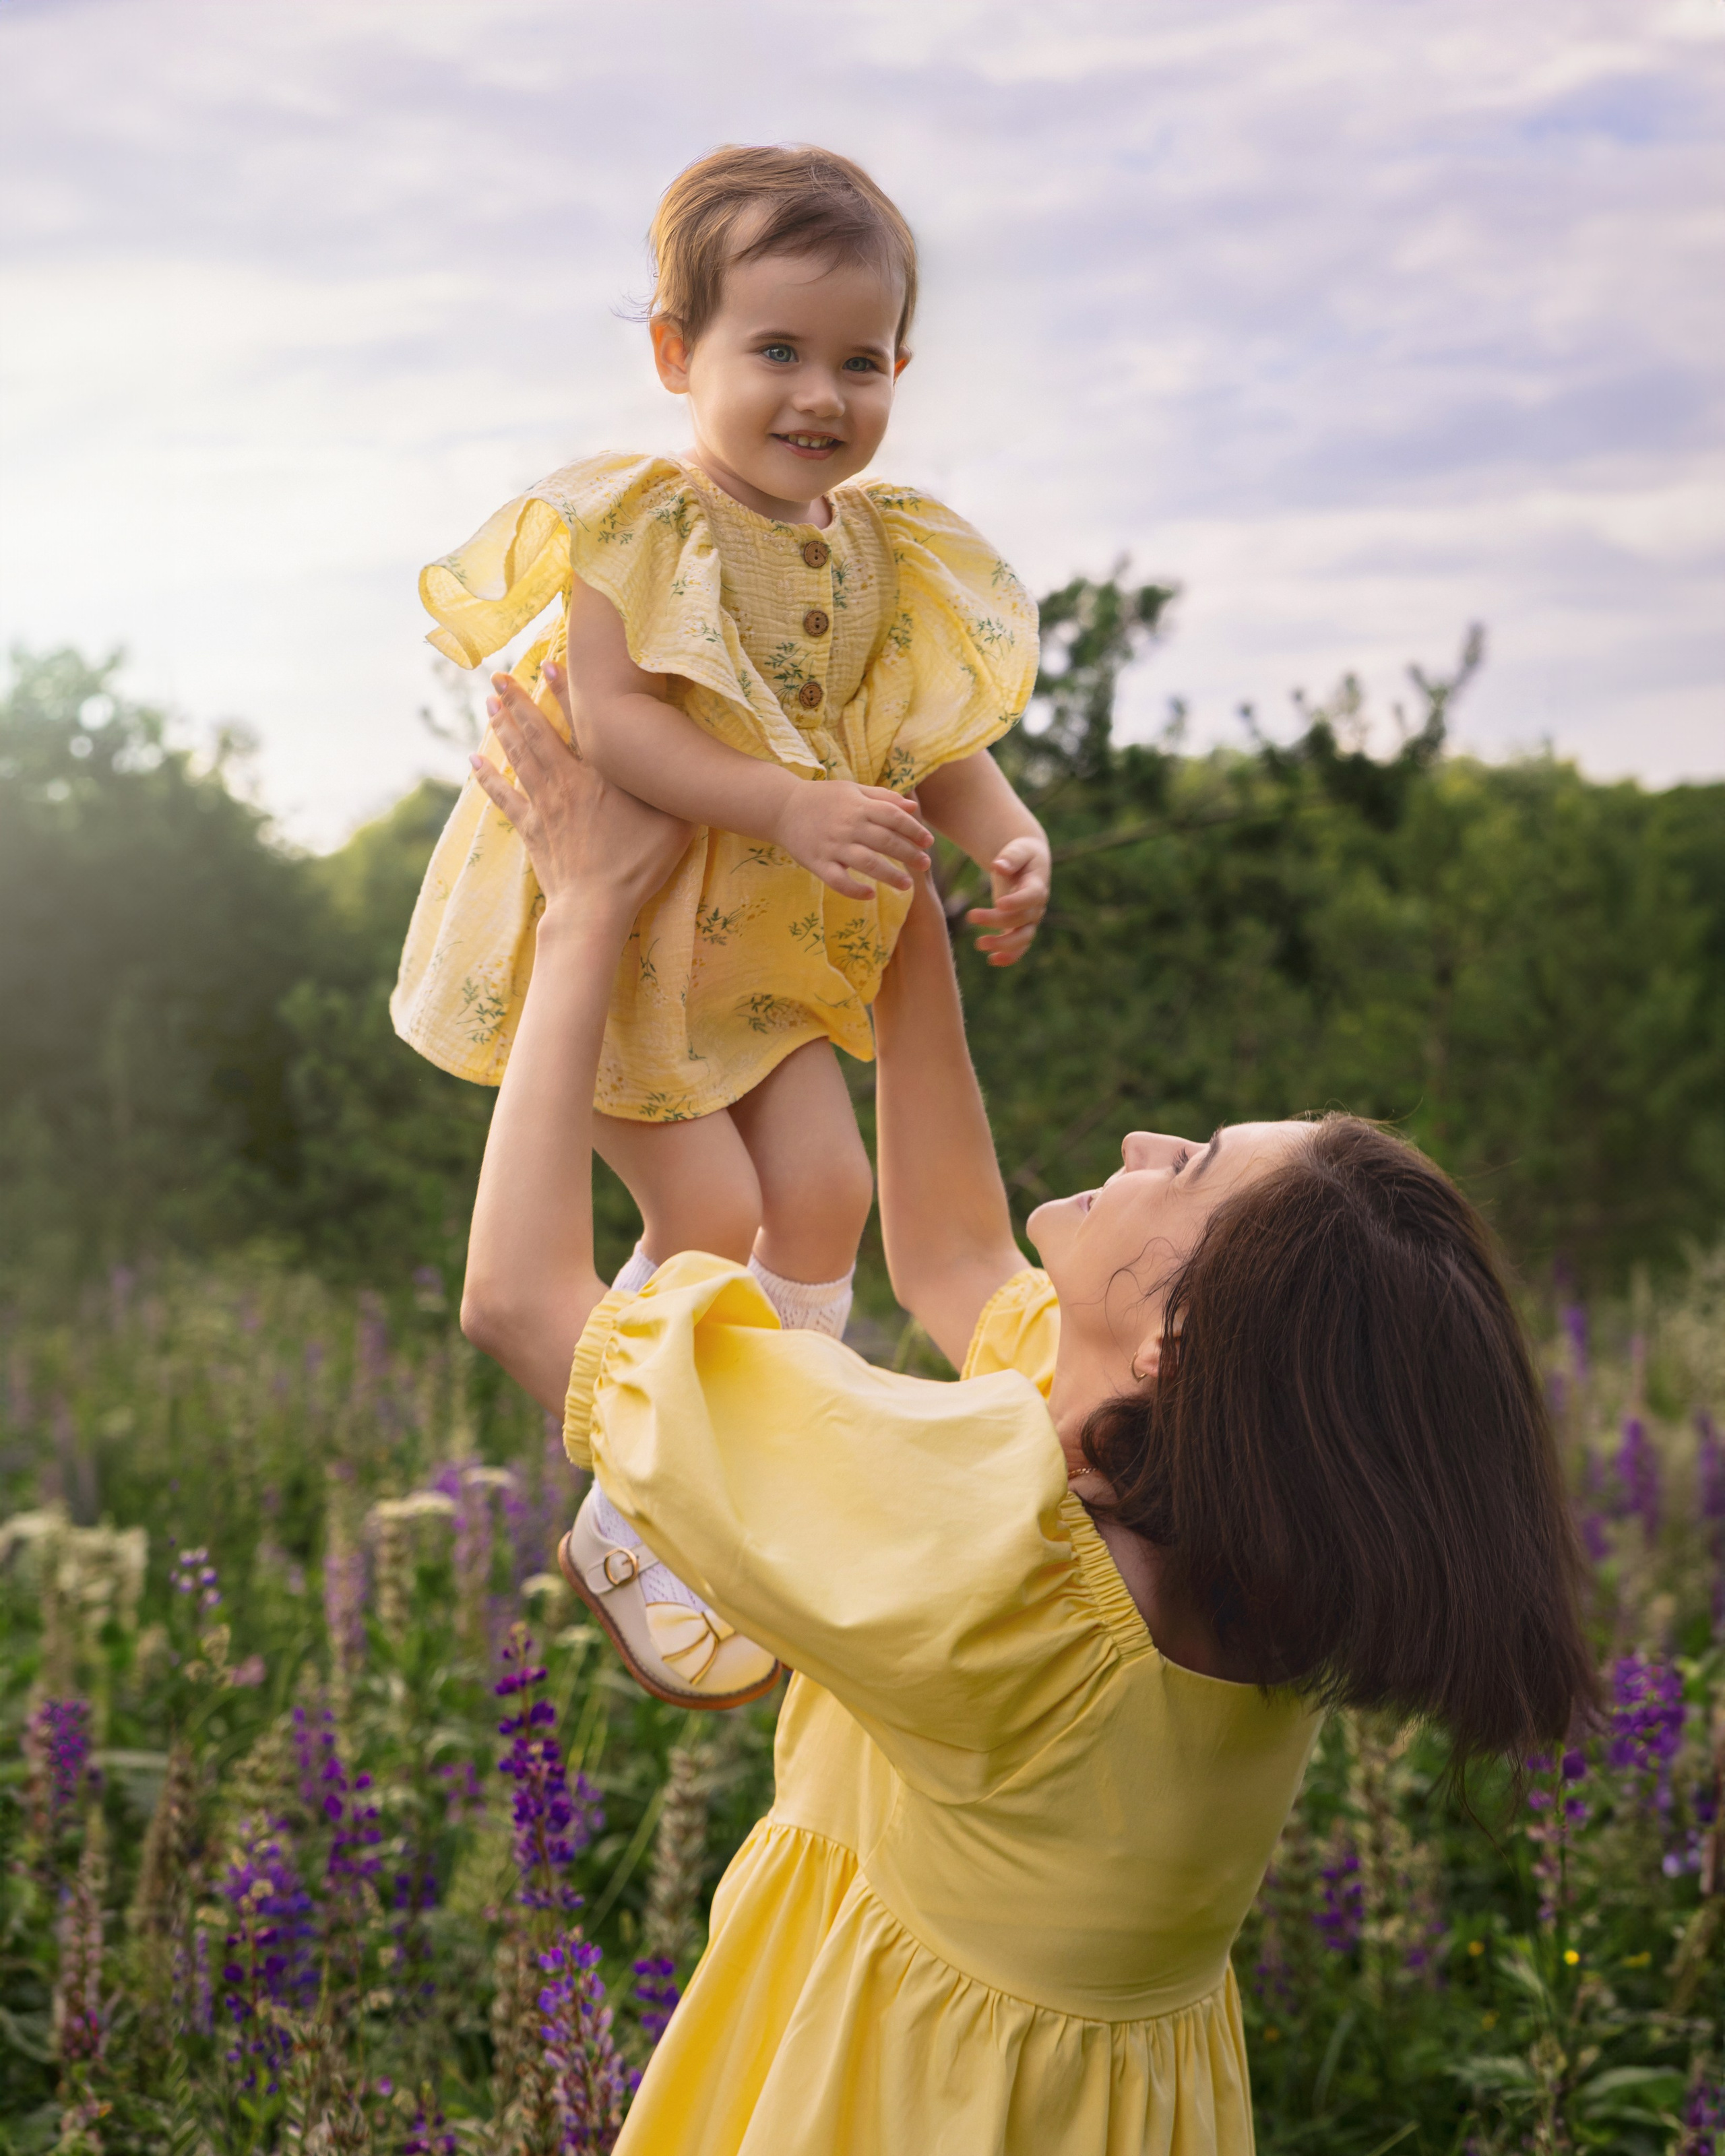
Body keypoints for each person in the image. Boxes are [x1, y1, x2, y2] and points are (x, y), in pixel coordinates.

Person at [458, 672, 1599, 2156]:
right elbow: (948, 1256)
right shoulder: (1221, 1547)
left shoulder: (983, 1538)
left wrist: (583, 908)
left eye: (1184, 1165)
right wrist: (902, 918)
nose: (1137, 1138)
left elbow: (521, 1299)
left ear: (1181, 1339)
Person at [393, 143, 1047, 1709]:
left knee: (820, 1189)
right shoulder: (645, 522)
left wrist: (1008, 831)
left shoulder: (881, 549)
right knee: (703, 1208)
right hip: (626, 934)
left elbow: (923, 727)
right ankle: (642, 1517)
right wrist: (786, 809)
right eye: (775, 351)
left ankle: (763, 1465)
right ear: (677, 355)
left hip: (751, 952)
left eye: (858, 360)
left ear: (899, 369)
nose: (819, 394)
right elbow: (618, 729)